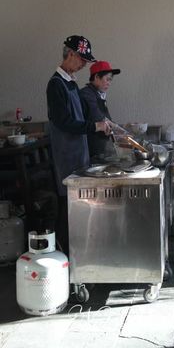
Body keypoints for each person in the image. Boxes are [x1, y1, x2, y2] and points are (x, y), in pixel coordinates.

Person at [46, 35, 111, 252]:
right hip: (66, 155)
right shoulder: (56, 84)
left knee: (78, 208)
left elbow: (83, 118)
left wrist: (100, 125)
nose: (84, 64)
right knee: (67, 209)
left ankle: (80, 254)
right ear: (70, 54)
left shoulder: (71, 83)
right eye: (82, 59)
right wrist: (94, 127)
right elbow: (64, 122)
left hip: (79, 153)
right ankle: (63, 256)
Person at [80, 60, 121, 159]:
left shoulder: (99, 94)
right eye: (107, 79)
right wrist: (119, 129)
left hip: (100, 148)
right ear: (96, 77)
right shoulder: (87, 93)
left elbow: (107, 118)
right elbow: (98, 116)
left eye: (110, 80)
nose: (109, 83)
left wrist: (119, 128)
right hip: (89, 149)